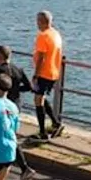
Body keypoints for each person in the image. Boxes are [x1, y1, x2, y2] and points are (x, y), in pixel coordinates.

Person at [0, 45, 38, 180]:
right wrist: (16, 88)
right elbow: (29, 87)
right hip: (15, 105)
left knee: (5, 137)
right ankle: (11, 166)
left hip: (3, 105)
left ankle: (23, 168)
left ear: (1, 56)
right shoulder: (18, 69)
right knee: (9, 135)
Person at [30, 11, 65, 141]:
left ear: (42, 22)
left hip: (44, 72)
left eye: (38, 21)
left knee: (38, 100)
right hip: (54, 72)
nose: (36, 23)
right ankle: (56, 123)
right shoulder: (55, 34)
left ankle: (42, 132)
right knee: (42, 98)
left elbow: (41, 58)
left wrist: (35, 75)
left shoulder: (43, 36)